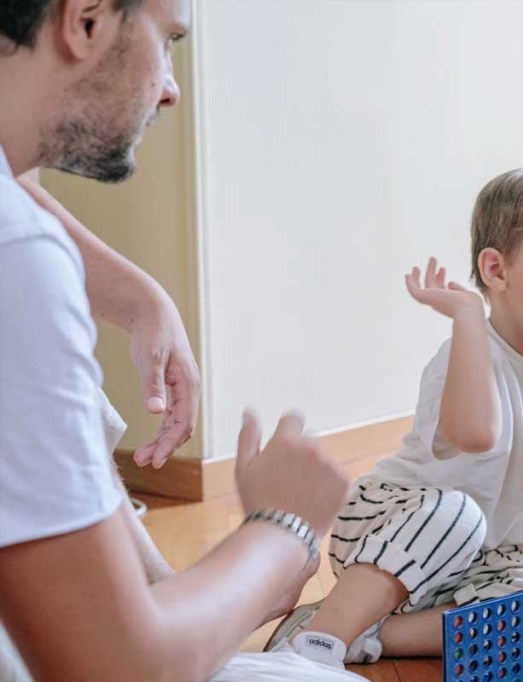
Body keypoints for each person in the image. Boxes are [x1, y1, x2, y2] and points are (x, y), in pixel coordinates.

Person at [0, 1, 361, 679]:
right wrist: (283, 531)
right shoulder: (17, 257)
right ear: (86, 21)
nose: (168, 87)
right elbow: (120, 669)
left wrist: (141, 300)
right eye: (166, 41)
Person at [264, 168, 523, 668]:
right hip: (397, 535)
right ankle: (320, 640)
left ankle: (366, 635)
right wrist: (467, 316)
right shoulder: (465, 354)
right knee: (459, 515)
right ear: (496, 270)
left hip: (477, 568)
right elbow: (476, 433)